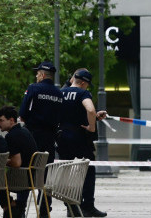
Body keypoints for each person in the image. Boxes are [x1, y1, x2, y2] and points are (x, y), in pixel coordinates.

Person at [59, 69, 108, 218]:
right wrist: (92, 127)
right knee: (88, 170)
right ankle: (88, 206)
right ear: (83, 83)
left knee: (66, 173)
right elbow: (90, 110)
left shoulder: (60, 92)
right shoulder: (82, 93)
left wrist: (94, 115)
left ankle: (71, 207)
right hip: (80, 138)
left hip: (62, 137)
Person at [19, 60, 63, 216]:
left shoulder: (33, 88)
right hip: (49, 138)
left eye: (37, 74)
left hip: (32, 136)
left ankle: (21, 208)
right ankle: (44, 209)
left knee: (27, 171)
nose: (36, 76)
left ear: (43, 75)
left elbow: (23, 113)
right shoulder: (59, 93)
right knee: (45, 174)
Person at [0, 107, 37, 218]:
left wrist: (1, 162)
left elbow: (16, 163)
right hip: (33, 177)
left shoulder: (11, 136)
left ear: (11, 120)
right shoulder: (25, 131)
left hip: (21, 179)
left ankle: (12, 207)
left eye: (1, 120)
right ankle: (18, 208)